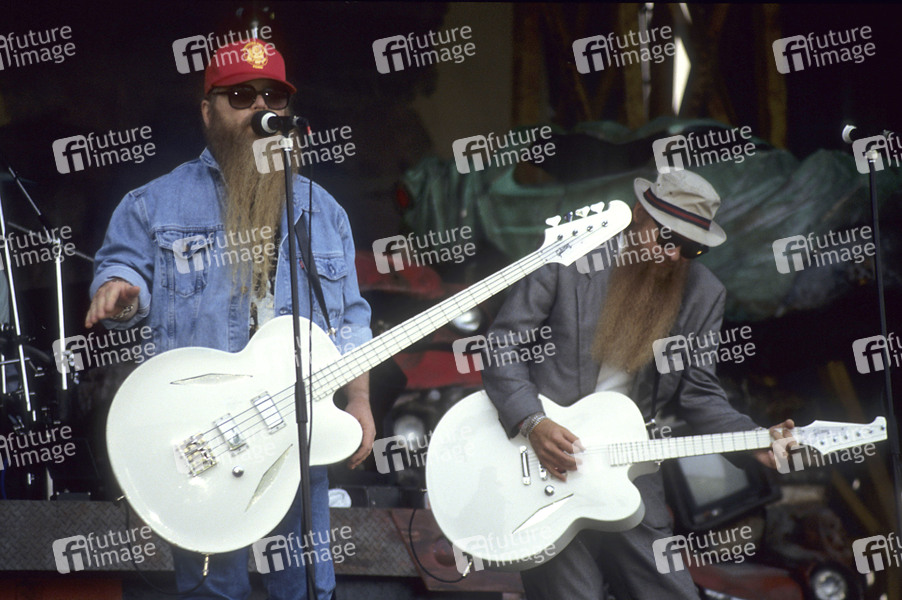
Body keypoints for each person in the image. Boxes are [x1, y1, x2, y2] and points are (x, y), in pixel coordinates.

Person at [85, 39, 374, 600]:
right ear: (207, 110)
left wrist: (359, 400)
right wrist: (121, 295)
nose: (259, 107)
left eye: (273, 97)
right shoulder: (153, 203)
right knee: (214, 590)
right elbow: (121, 271)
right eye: (241, 96)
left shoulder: (323, 211)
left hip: (296, 429)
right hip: (203, 433)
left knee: (307, 586)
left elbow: (352, 319)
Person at [481, 170, 795, 599]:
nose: (673, 254)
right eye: (666, 236)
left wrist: (754, 440)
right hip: (542, 462)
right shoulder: (569, 255)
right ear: (636, 215)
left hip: (629, 469)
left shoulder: (704, 293)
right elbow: (502, 346)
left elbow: (699, 395)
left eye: (691, 247)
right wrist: (533, 421)